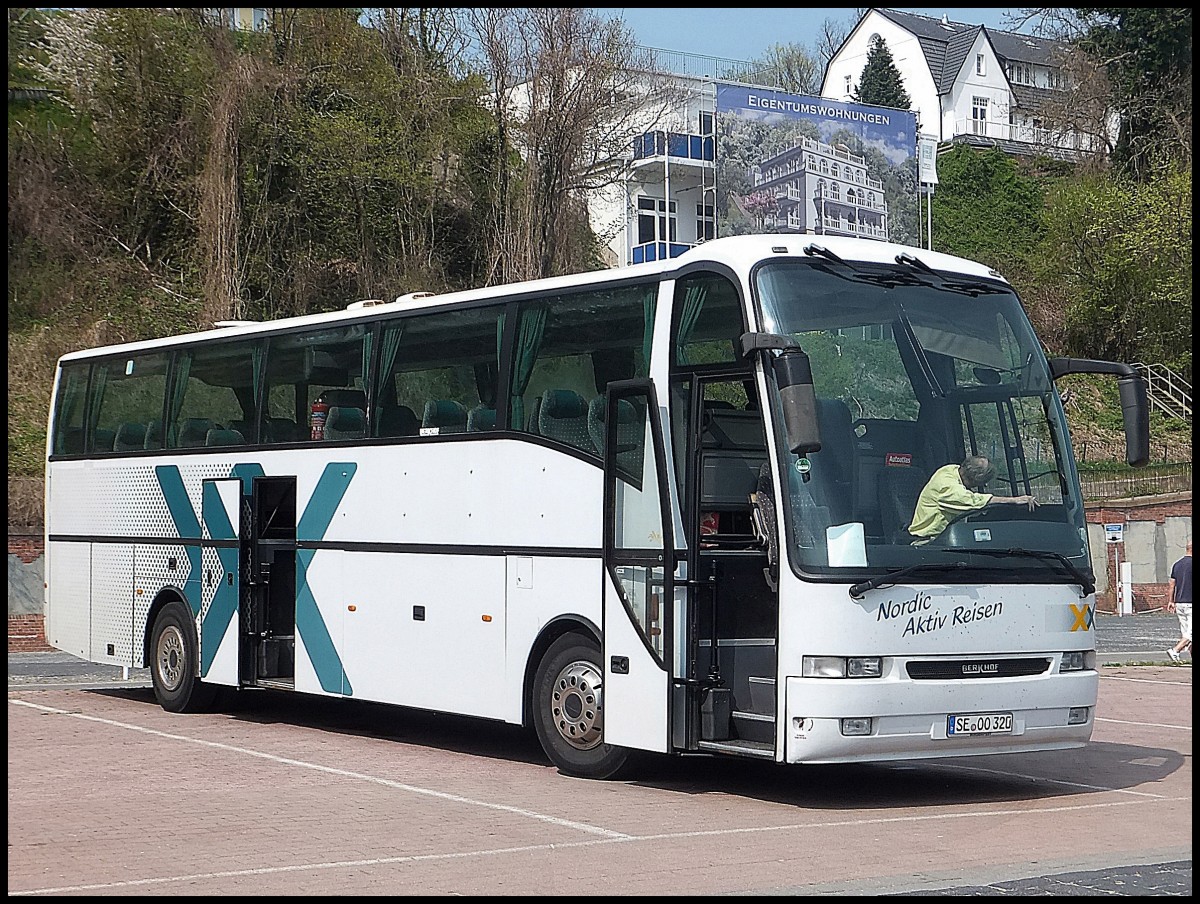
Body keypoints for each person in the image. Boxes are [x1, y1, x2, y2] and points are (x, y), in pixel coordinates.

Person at [908, 454, 1039, 544]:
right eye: (981, 483)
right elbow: (972, 500)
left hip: (946, 539)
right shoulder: (947, 487)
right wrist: (1014, 500)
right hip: (928, 543)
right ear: (975, 480)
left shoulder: (951, 470)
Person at [1166, 539, 1191, 663]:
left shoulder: (1177, 564)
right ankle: (1175, 650)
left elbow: (1172, 584)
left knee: (1187, 633)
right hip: (1191, 603)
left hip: (1180, 603)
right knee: (1190, 634)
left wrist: (1171, 601)